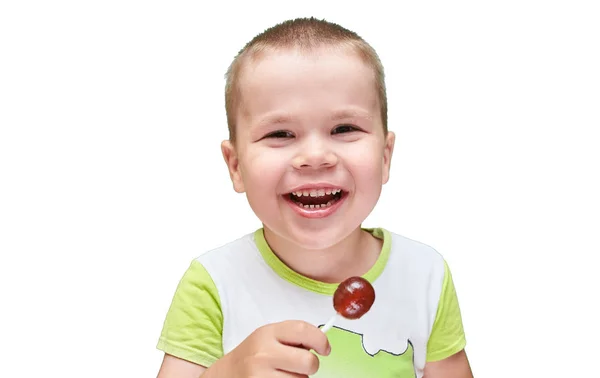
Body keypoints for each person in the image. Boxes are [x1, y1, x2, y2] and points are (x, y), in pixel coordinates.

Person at [156, 17, 473, 378]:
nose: (316, 156)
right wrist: (227, 372)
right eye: (280, 133)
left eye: (344, 128)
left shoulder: (423, 274)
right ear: (236, 166)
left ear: (385, 157)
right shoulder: (213, 283)